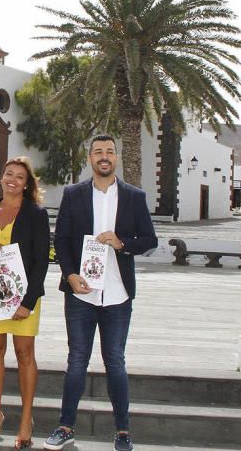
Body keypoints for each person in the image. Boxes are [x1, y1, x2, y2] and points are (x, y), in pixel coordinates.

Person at [43, 135, 158, 451]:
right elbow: (61, 240)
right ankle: (66, 427)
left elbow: (149, 239)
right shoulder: (74, 194)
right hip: (81, 293)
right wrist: (70, 275)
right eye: (98, 152)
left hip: (118, 295)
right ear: (90, 158)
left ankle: (123, 431)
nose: (103, 156)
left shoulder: (134, 197)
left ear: (116, 158)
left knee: (115, 361)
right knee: (77, 360)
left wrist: (122, 243)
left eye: (109, 152)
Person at [0, 156, 50, 449]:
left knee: (24, 353)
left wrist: (28, 302)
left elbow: (42, 261)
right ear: (1, 178)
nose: (12, 180)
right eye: (8, 174)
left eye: (19, 176)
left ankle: (25, 419)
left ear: (27, 183)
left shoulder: (36, 214)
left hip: (24, 297)